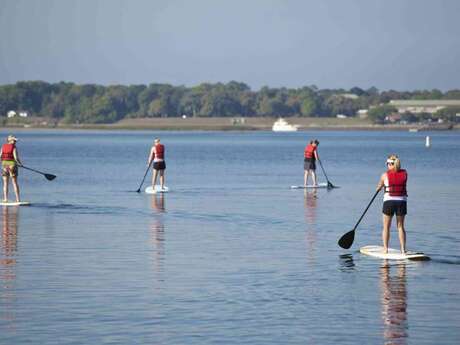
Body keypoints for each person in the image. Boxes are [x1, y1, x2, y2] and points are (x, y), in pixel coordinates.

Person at [376, 154, 407, 254]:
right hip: (401, 202)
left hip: (389, 202)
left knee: (386, 227)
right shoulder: (405, 173)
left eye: (388, 164)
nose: (387, 166)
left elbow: (379, 187)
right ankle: (403, 249)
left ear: (391, 164)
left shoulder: (384, 175)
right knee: (400, 226)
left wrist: (379, 187)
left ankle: (385, 249)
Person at [1, 135, 22, 202]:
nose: (15, 142)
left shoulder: (3, 146)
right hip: (12, 165)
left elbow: (0, 156)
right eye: (14, 140)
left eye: (15, 141)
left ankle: (5, 199)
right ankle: (18, 200)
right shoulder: (14, 147)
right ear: (9, 140)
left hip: (4, 165)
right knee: (14, 182)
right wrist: (19, 163)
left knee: (5, 183)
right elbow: (16, 157)